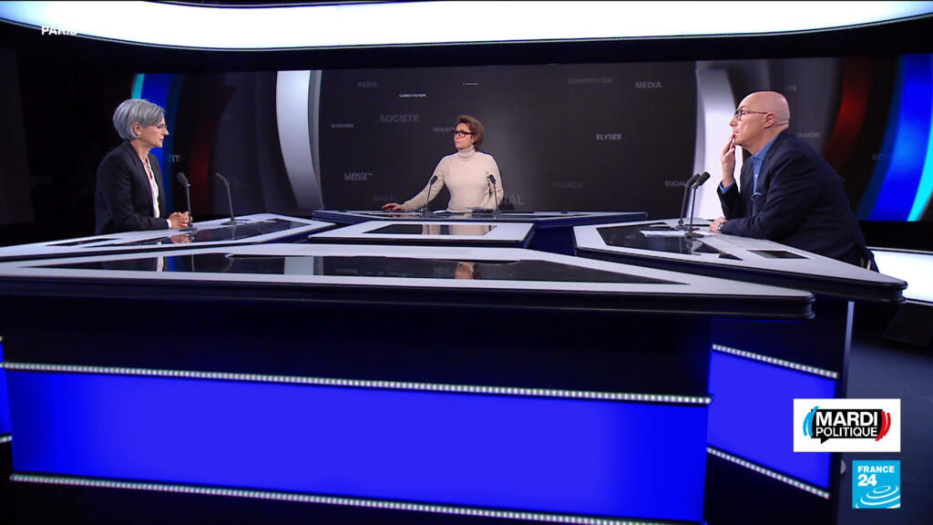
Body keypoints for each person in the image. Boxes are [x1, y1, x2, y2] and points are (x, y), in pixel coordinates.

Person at [709, 91, 873, 268]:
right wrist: (727, 175)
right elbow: (740, 220)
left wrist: (723, 227)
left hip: (831, 266)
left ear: (768, 120)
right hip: (793, 265)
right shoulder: (750, 164)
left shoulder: (793, 158)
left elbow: (767, 226)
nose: (732, 122)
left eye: (741, 114)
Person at [95, 99, 190, 235]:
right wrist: (168, 223)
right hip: (123, 245)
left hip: (152, 243)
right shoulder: (117, 162)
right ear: (137, 128)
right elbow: (125, 219)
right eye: (160, 127)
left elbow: (149, 213)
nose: (166, 133)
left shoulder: (153, 161)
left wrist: (174, 220)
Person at [382, 115, 504, 213]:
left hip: (480, 222)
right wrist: (405, 207)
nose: (457, 137)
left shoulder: (487, 160)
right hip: (454, 221)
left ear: (474, 138)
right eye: (455, 133)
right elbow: (428, 192)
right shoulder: (446, 162)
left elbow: (498, 192)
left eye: (462, 133)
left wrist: (486, 211)